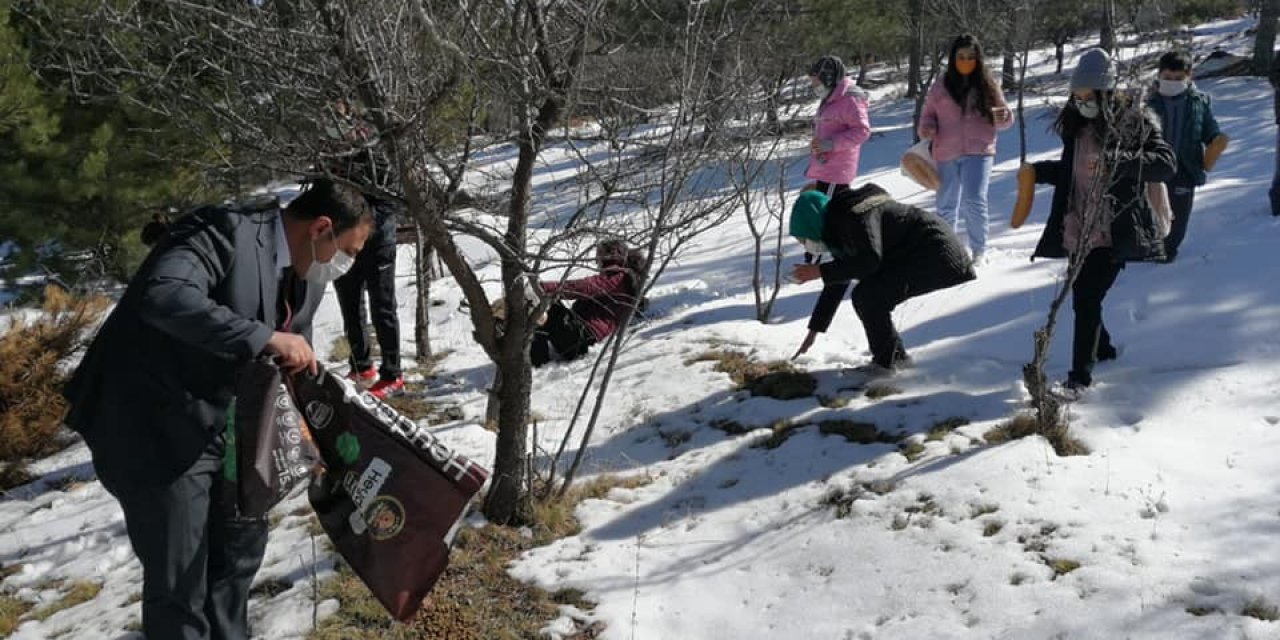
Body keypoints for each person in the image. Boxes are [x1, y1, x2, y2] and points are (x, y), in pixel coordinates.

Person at [61, 179, 373, 639]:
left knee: (236, 561)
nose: (345, 264)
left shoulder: (308, 277)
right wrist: (261, 336)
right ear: (320, 228)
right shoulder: (219, 231)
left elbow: (288, 352)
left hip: (232, 424)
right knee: (180, 582)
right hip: (153, 423)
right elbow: (164, 295)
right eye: (347, 249)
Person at [1023, 48, 1175, 398]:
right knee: (1084, 296)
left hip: (1116, 227)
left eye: (1088, 95)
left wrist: (1116, 161)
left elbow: (1165, 163)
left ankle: (1080, 379)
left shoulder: (1133, 122)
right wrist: (1037, 172)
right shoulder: (1076, 127)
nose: (1081, 101)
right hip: (1079, 226)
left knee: (1086, 298)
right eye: (1077, 96)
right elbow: (1071, 173)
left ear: (1106, 94)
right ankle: (1102, 349)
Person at [789, 184, 975, 373]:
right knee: (867, 295)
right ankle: (894, 359)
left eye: (805, 239)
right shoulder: (842, 225)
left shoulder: (855, 217)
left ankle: (887, 363)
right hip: (920, 253)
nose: (808, 246)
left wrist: (819, 271)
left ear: (813, 223)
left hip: (935, 253)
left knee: (869, 296)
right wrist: (814, 331)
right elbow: (839, 280)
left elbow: (869, 260)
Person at [327, 99, 405, 398]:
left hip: (376, 241)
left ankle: (393, 374)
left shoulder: (372, 151)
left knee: (382, 306)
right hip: (342, 241)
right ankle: (362, 365)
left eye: (337, 112)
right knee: (349, 304)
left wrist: (366, 230)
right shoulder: (327, 152)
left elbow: (389, 199)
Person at [918, 34, 1014, 265]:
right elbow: (927, 117)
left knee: (974, 200)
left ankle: (979, 251)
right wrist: (928, 128)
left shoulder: (987, 84)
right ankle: (946, 249)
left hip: (979, 150)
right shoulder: (940, 86)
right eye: (961, 56)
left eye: (971, 57)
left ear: (978, 59)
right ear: (953, 58)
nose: (966, 61)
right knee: (946, 204)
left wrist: (1003, 116)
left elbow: (1005, 119)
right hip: (946, 152)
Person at [1146, 50, 1228, 261]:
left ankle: (1168, 249)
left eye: (1178, 78)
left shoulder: (1199, 102)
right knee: (1153, 207)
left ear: (1189, 77)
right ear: (1159, 76)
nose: (1172, 82)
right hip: (1154, 167)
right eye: (1167, 78)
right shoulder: (1148, 102)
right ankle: (1148, 245)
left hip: (1185, 166)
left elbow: (1208, 127)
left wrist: (1215, 140)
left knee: (1179, 213)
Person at [531, 239, 639, 367]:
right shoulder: (614, 276)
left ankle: (535, 362)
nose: (596, 259)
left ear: (609, 255)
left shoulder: (617, 277)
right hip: (581, 335)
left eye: (599, 254)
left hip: (585, 339)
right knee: (545, 306)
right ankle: (533, 359)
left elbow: (584, 287)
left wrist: (543, 288)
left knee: (547, 308)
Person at [804, 55, 871, 197]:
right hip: (825, 167)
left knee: (827, 212)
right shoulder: (830, 99)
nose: (815, 88)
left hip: (837, 171)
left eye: (817, 83)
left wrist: (830, 144)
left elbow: (862, 131)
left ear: (828, 79)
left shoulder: (850, 99)